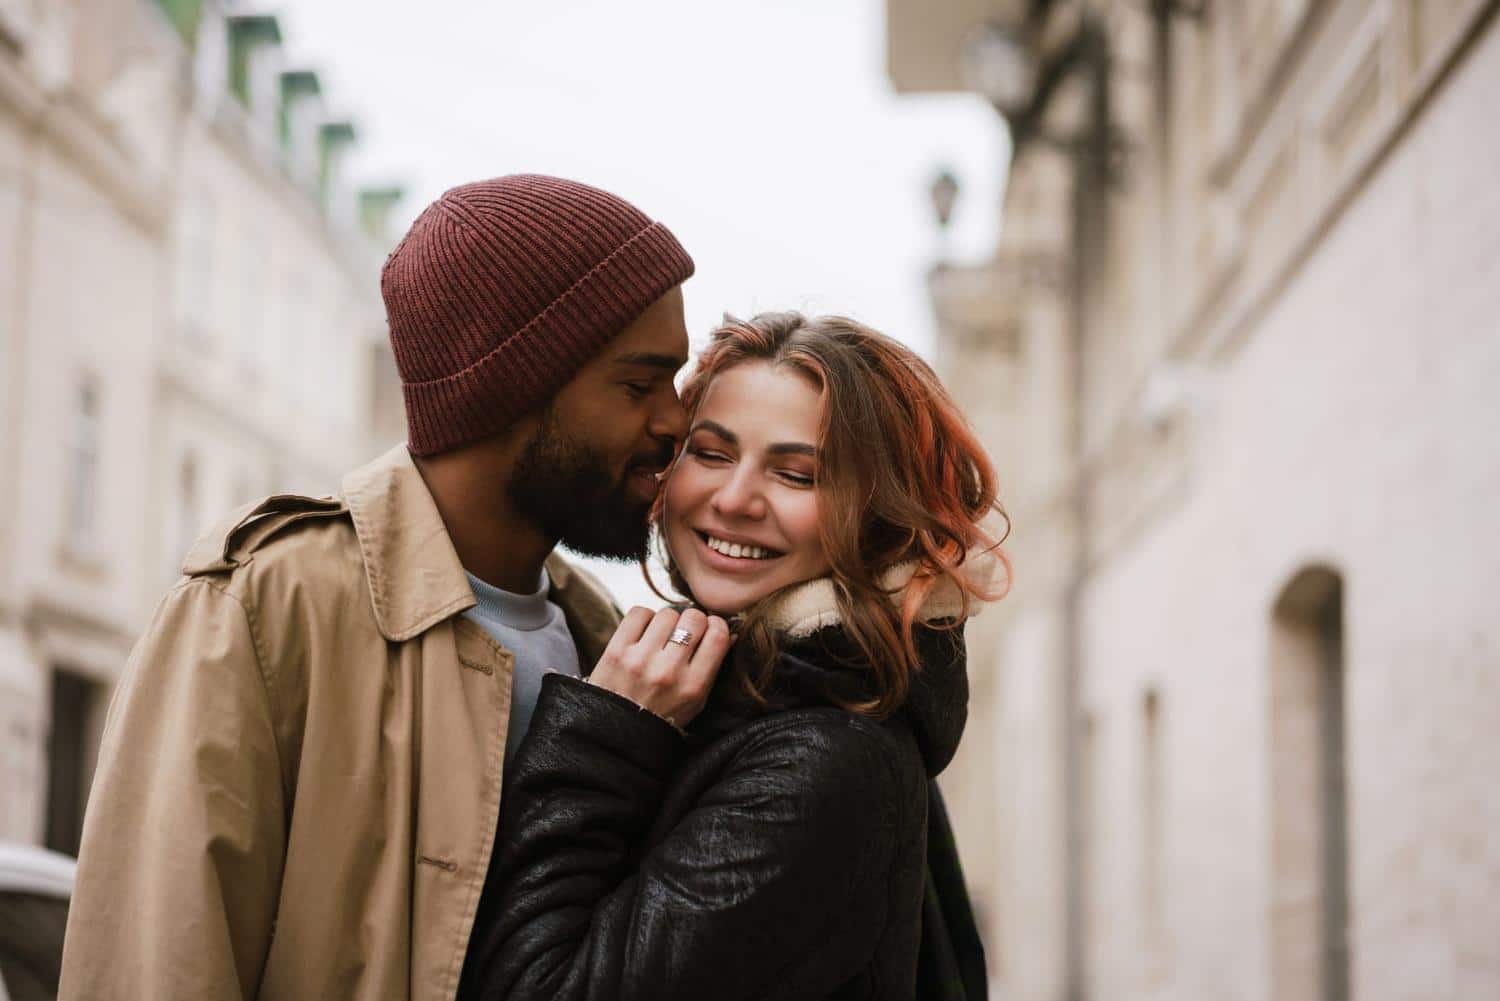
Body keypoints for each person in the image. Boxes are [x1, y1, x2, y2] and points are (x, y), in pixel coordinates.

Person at [58, 174, 700, 1001]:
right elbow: (152, 971)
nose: (676, 422)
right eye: (641, 383)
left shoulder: (606, 641)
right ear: (515, 384)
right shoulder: (266, 608)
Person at [459, 312, 1010, 1001]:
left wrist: (605, 735)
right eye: (712, 453)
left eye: (797, 474)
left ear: (881, 518)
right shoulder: (764, 688)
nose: (734, 498)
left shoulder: (818, 759)